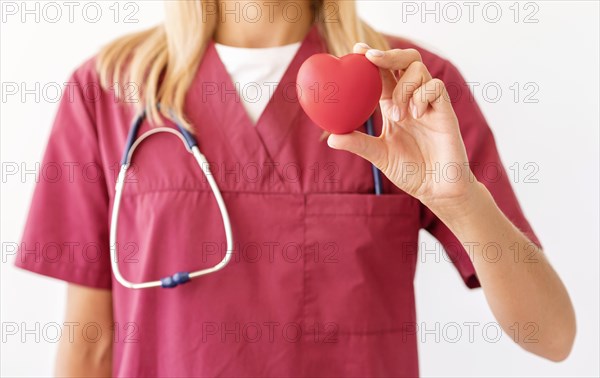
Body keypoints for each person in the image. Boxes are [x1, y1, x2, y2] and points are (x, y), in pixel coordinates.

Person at [16, 1, 575, 376]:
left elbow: (552, 336)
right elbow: (88, 342)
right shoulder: (109, 89)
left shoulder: (410, 89)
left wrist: (462, 201)